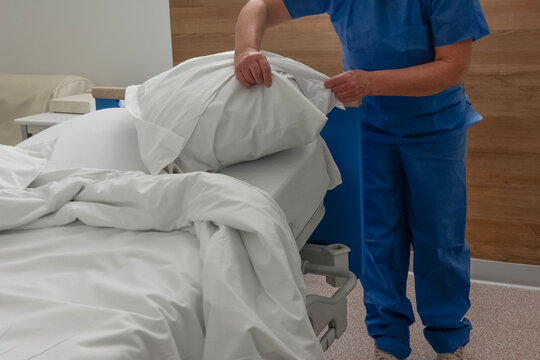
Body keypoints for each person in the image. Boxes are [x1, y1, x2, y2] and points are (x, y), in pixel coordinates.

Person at [234, 0, 489, 359]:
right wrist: (246, 49)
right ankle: (388, 340)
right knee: (377, 238)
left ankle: (449, 338)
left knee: (440, 237)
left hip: (435, 129)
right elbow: (257, 7)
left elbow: (452, 67)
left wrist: (371, 81)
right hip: (370, 128)